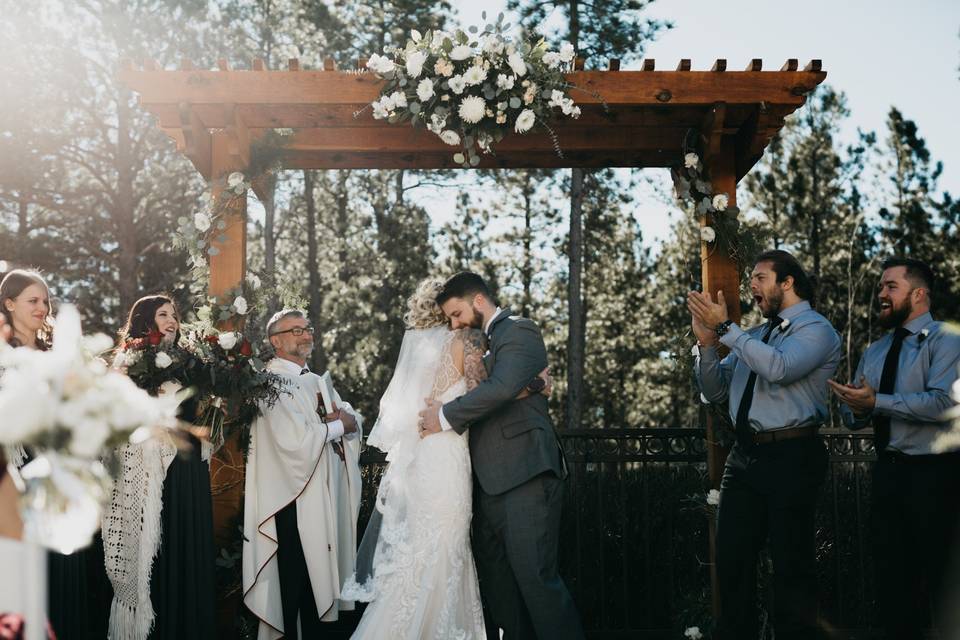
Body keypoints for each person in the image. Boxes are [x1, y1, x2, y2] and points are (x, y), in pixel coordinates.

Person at [418, 272, 583, 640]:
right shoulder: (483, 342)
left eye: (457, 313)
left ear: (478, 301)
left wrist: (444, 415)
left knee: (538, 584)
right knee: (501, 592)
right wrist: (533, 385)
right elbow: (500, 388)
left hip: (526, 475)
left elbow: (501, 388)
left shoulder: (519, 330)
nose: (454, 323)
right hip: (487, 484)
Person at [688, 249, 840, 640]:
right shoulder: (753, 336)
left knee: (791, 565)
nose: (751, 286)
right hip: (745, 458)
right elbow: (713, 391)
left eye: (760, 278)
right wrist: (707, 344)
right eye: (751, 279)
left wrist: (726, 331)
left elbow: (780, 368)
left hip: (792, 456)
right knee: (732, 559)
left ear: (787, 282)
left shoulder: (817, 331)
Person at [829, 258, 960, 639]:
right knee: (892, 581)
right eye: (881, 286)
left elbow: (945, 405)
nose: (881, 294)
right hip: (888, 475)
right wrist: (851, 406)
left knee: (942, 581)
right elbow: (860, 413)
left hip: (936, 476)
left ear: (919, 294)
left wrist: (876, 403)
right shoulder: (876, 348)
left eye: (891, 286)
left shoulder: (947, 340)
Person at [243, 309, 363, 640]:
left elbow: (348, 419)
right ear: (275, 341)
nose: (306, 335)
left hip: (323, 498)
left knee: (320, 589)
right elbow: (294, 442)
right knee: (296, 586)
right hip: (291, 500)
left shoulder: (315, 381)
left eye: (307, 328)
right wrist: (339, 425)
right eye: (295, 331)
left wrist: (346, 423)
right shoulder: (272, 383)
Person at [103, 294, 216, 640]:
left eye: (174, 315)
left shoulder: (191, 362)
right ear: (145, 322)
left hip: (188, 471)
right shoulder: (129, 362)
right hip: (154, 472)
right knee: (159, 552)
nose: (171, 320)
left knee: (188, 551)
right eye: (162, 314)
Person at [1, 269, 88, 640]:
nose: (41, 307)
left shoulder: (59, 355)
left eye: (45, 301)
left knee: (67, 573)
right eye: (32, 300)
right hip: (16, 477)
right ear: (8, 304)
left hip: (64, 476)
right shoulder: (4, 356)